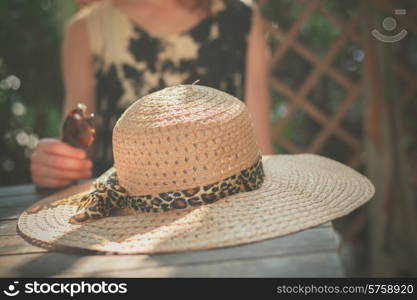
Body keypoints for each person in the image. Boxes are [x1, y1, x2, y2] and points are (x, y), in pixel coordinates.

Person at [31, 0, 272, 188]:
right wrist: (55, 164)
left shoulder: (242, 19)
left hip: (229, 210)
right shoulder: (86, 30)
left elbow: (261, 150)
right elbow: (79, 145)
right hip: (120, 225)